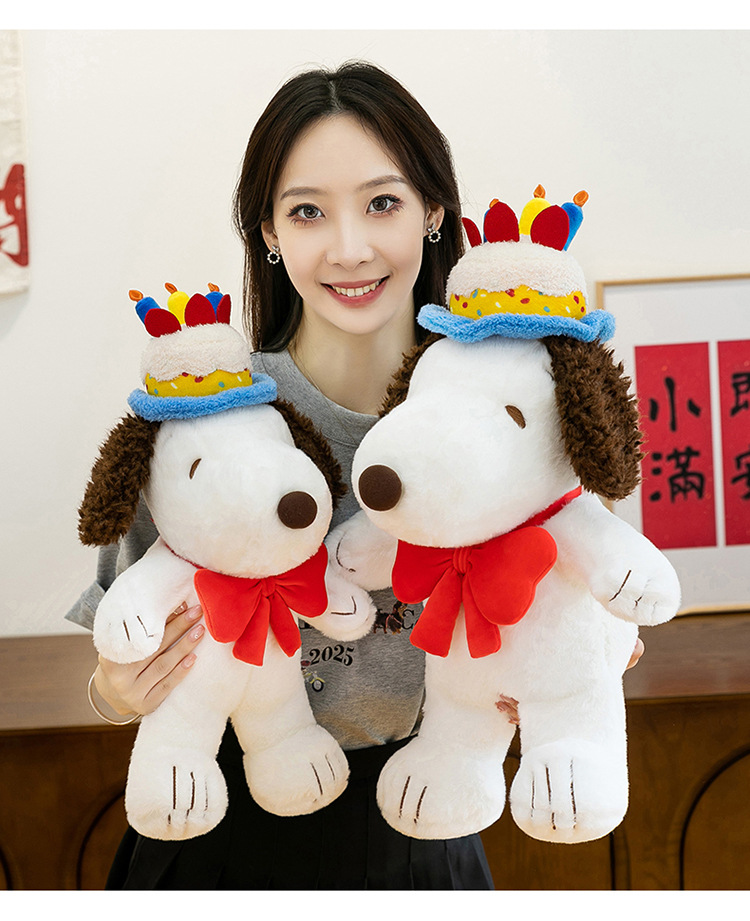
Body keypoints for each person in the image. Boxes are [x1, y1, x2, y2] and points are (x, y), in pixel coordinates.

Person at [68, 61, 643, 890]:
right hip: (215, 839)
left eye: (382, 203)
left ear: (435, 212)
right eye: (307, 211)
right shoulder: (203, 418)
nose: (349, 248)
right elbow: (119, 652)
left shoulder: (533, 410)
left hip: (425, 824)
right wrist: (114, 690)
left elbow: (592, 618)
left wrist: (579, 668)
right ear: (269, 232)